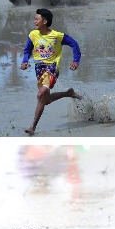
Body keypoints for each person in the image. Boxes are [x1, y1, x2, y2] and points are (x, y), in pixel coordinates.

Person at [20, 8, 82, 136]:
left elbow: (74, 44)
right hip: (39, 70)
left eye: (37, 19)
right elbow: (27, 50)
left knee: (40, 94)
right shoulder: (33, 35)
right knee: (45, 100)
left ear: (45, 21)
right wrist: (25, 61)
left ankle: (32, 127)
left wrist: (76, 60)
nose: (34, 21)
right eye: (34, 18)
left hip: (52, 69)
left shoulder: (57, 36)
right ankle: (68, 93)